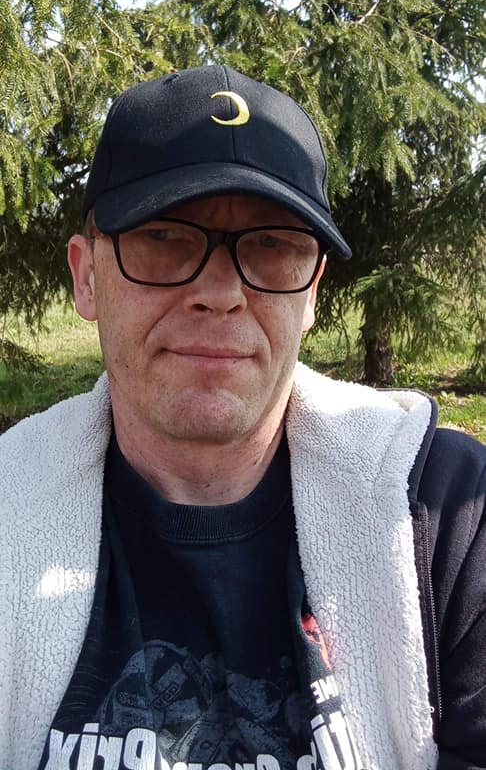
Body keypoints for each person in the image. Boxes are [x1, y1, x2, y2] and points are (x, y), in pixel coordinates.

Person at [0, 65, 485, 770]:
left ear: (311, 293)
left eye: (272, 244)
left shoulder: (445, 518)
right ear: (86, 276)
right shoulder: (8, 507)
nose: (221, 293)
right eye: (165, 236)